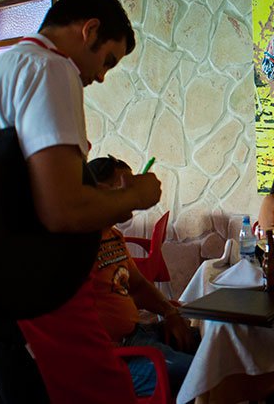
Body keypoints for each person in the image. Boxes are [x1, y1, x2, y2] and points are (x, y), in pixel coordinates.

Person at [0, 0, 159, 404]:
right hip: (33, 286)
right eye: (107, 60)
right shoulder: (51, 67)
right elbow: (63, 209)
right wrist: (137, 196)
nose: (102, 75)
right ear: (88, 30)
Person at [87, 156, 197, 397]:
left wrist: (170, 312)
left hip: (138, 336)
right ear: (100, 191)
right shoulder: (81, 245)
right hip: (115, 357)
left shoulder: (113, 236)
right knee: (199, 376)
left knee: (212, 350)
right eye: (123, 183)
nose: (132, 190)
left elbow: (136, 285)